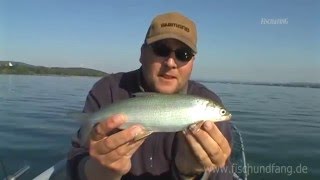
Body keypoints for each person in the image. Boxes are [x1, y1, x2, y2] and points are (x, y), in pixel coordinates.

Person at [67, 12, 233, 180]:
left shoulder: (207, 101)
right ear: (142, 53)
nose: (170, 63)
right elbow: (76, 157)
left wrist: (191, 173)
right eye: (161, 50)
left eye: (183, 54)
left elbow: (224, 172)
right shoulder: (107, 89)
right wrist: (98, 173)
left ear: (192, 63)